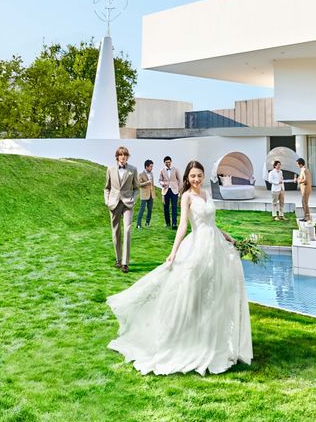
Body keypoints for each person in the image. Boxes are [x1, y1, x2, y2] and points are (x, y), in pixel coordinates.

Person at [107, 160, 252, 375]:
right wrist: (174, 251)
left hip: (215, 245)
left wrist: (228, 237)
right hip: (198, 246)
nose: (196, 179)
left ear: (203, 176)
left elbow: (211, 224)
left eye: (199, 175)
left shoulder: (207, 194)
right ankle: (189, 339)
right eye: (192, 176)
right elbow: (183, 225)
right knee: (193, 290)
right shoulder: (187, 197)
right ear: (187, 178)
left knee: (214, 292)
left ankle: (213, 339)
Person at [104, 146, 140, 273]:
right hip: (114, 203)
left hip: (128, 203)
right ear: (117, 157)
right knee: (116, 231)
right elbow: (107, 187)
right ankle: (118, 259)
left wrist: (133, 199)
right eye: (121, 155)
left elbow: (136, 188)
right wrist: (107, 201)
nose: (123, 157)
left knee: (127, 230)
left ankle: (125, 263)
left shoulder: (133, 170)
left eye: (125, 155)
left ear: (127, 157)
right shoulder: (110, 169)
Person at [159, 156, 182, 229]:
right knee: (166, 207)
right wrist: (162, 183)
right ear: (164, 163)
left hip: (174, 191)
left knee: (174, 207)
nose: (168, 164)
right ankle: (167, 223)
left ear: (171, 162)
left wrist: (179, 190)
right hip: (165, 191)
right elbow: (160, 180)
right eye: (166, 162)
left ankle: (174, 223)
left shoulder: (176, 169)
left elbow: (180, 180)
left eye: (169, 162)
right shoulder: (162, 170)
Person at [136, 160, 156, 229]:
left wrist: (153, 192)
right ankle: (138, 224)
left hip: (151, 194)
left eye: (152, 166)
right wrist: (146, 182)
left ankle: (147, 223)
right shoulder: (141, 174)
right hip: (144, 195)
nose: (152, 168)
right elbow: (138, 184)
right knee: (142, 209)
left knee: (150, 210)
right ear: (146, 167)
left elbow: (152, 184)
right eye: (150, 166)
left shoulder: (152, 173)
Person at [296, 157, 312, 222]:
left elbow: (306, 180)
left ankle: (307, 217)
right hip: (303, 189)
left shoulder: (305, 170)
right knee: (303, 203)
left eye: (297, 164)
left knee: (305, 203)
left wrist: (299, 181)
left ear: (300, 164)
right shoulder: (303, 170)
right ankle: (306, 216)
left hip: (306, 189)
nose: (297, 165)